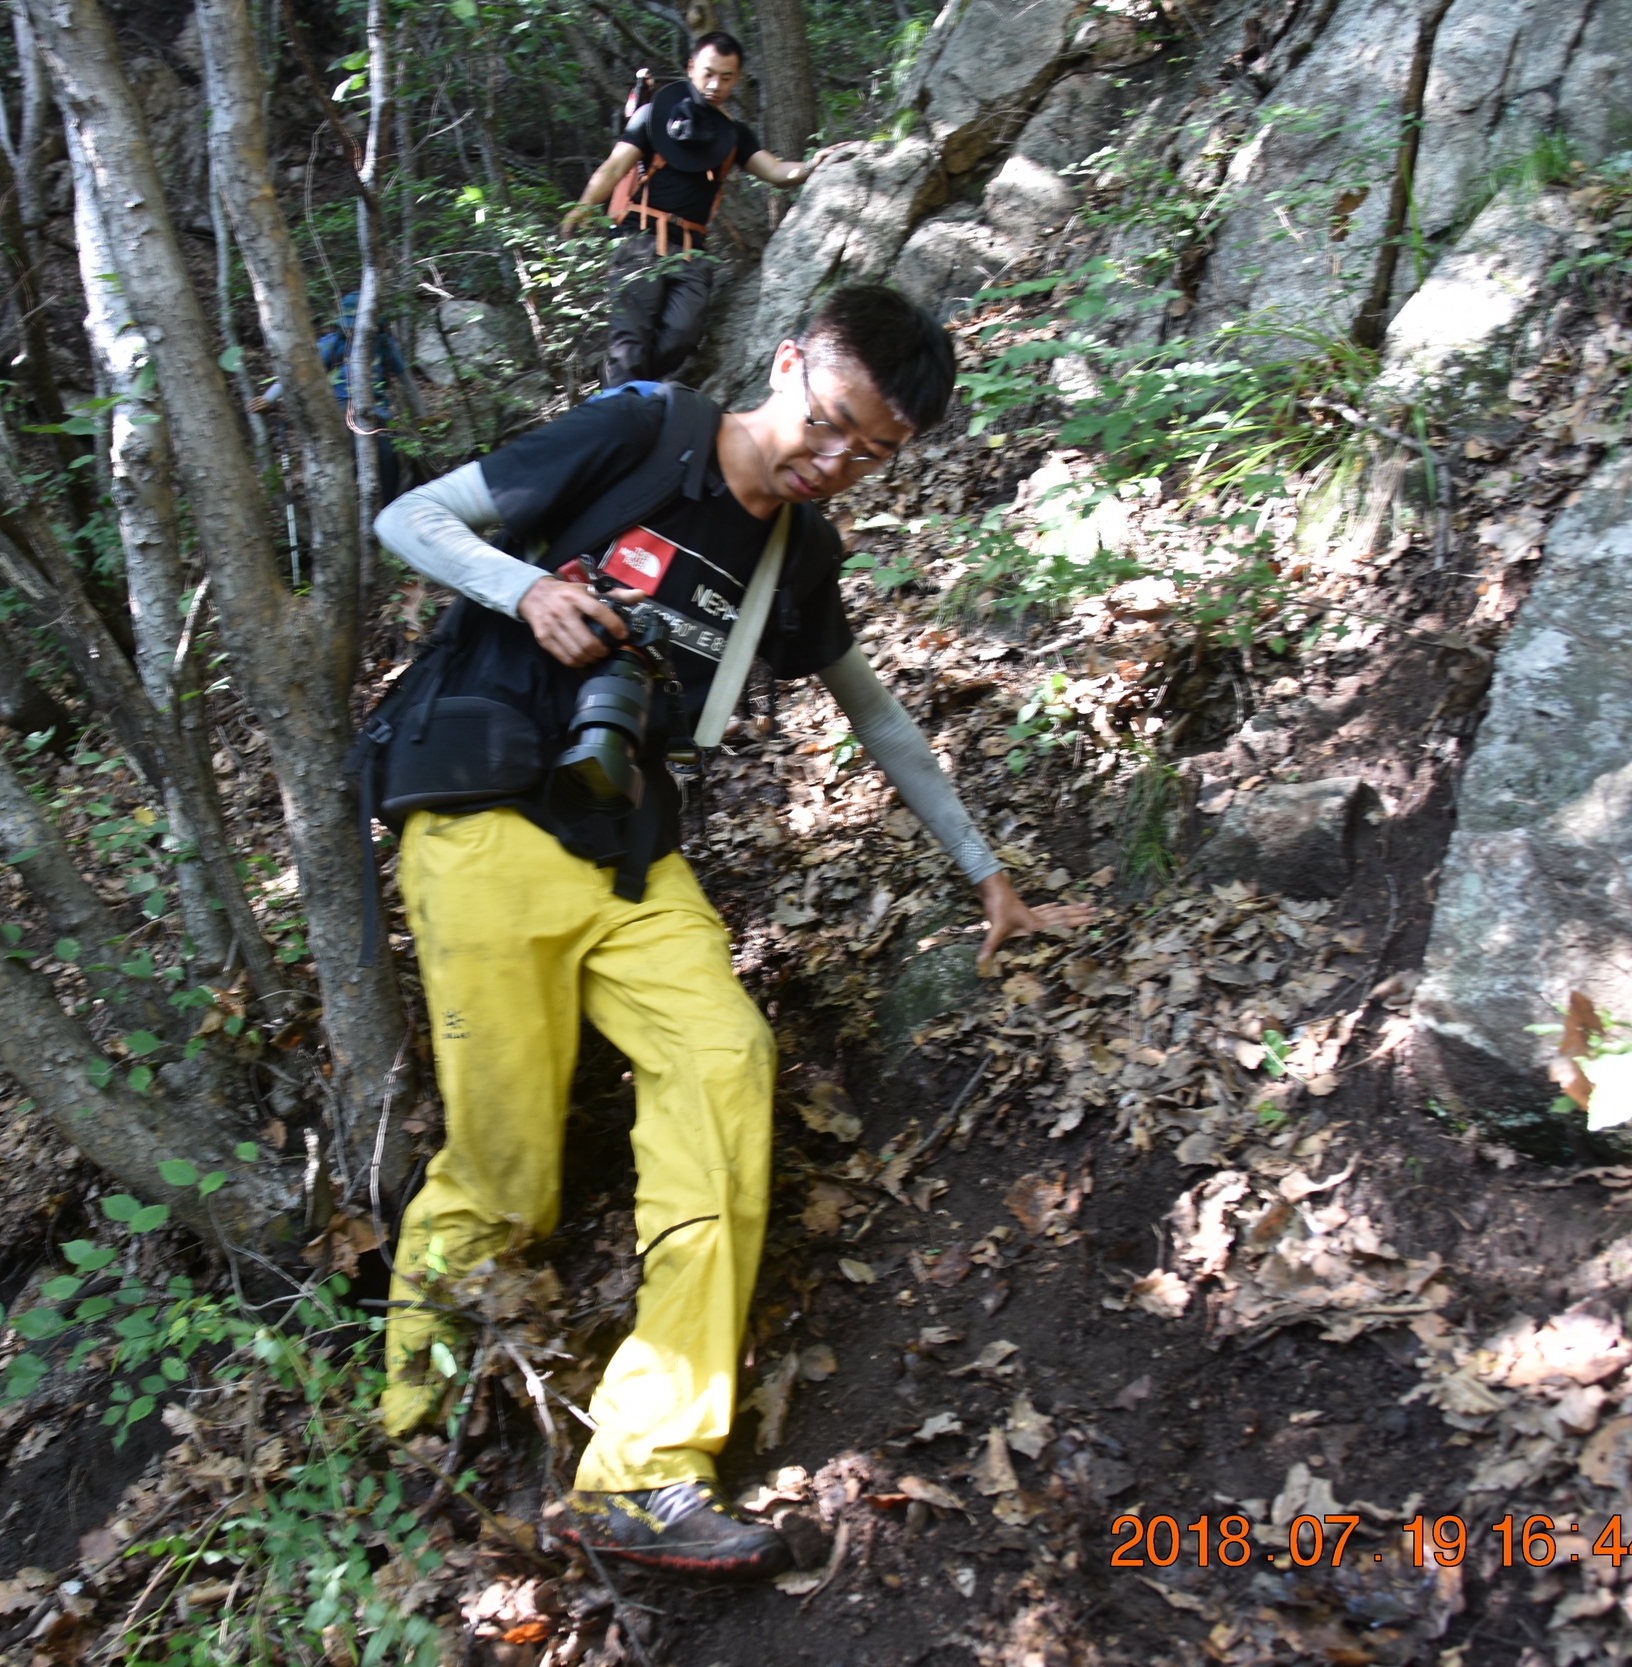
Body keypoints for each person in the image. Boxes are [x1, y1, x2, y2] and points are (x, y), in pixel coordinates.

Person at [369, 285, 1092, 1578]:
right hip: (480, 806)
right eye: (828, 423)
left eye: (868, 454)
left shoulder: (797, 559)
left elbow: (876, 717)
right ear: (789, 360)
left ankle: (643, 1467)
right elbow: (409, 517)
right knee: (505, 1173)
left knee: (724, 1062)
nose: (832, 461)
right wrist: (527, 588)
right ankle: (410, 1436)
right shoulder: (643, 429)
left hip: (631, 844)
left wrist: (987, 869)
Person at [561, 32, 841, 390]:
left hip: (692, 249)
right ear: (692, 67)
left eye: (726, 77)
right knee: (630, 342)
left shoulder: (733, 134)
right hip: (639, 238)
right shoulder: (651, 117)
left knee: (682, 337)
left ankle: (620, 388)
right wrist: (581, 209)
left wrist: (810, 166)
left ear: (737, 78)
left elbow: (772, 170)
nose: (715, 85)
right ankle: (618, 414)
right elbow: (614, 168)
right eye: (708, 73)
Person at [249, 290, 421, 504]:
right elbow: (298, 370)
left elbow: (405, 378)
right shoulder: (333, 343)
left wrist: (425, 416)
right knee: (348, 457)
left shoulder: (383, 344)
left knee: (387, 458)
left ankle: (389, 508)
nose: (350, 328)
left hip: (376, 411)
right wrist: (269, 398)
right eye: (348, 323)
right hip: (342, 407)